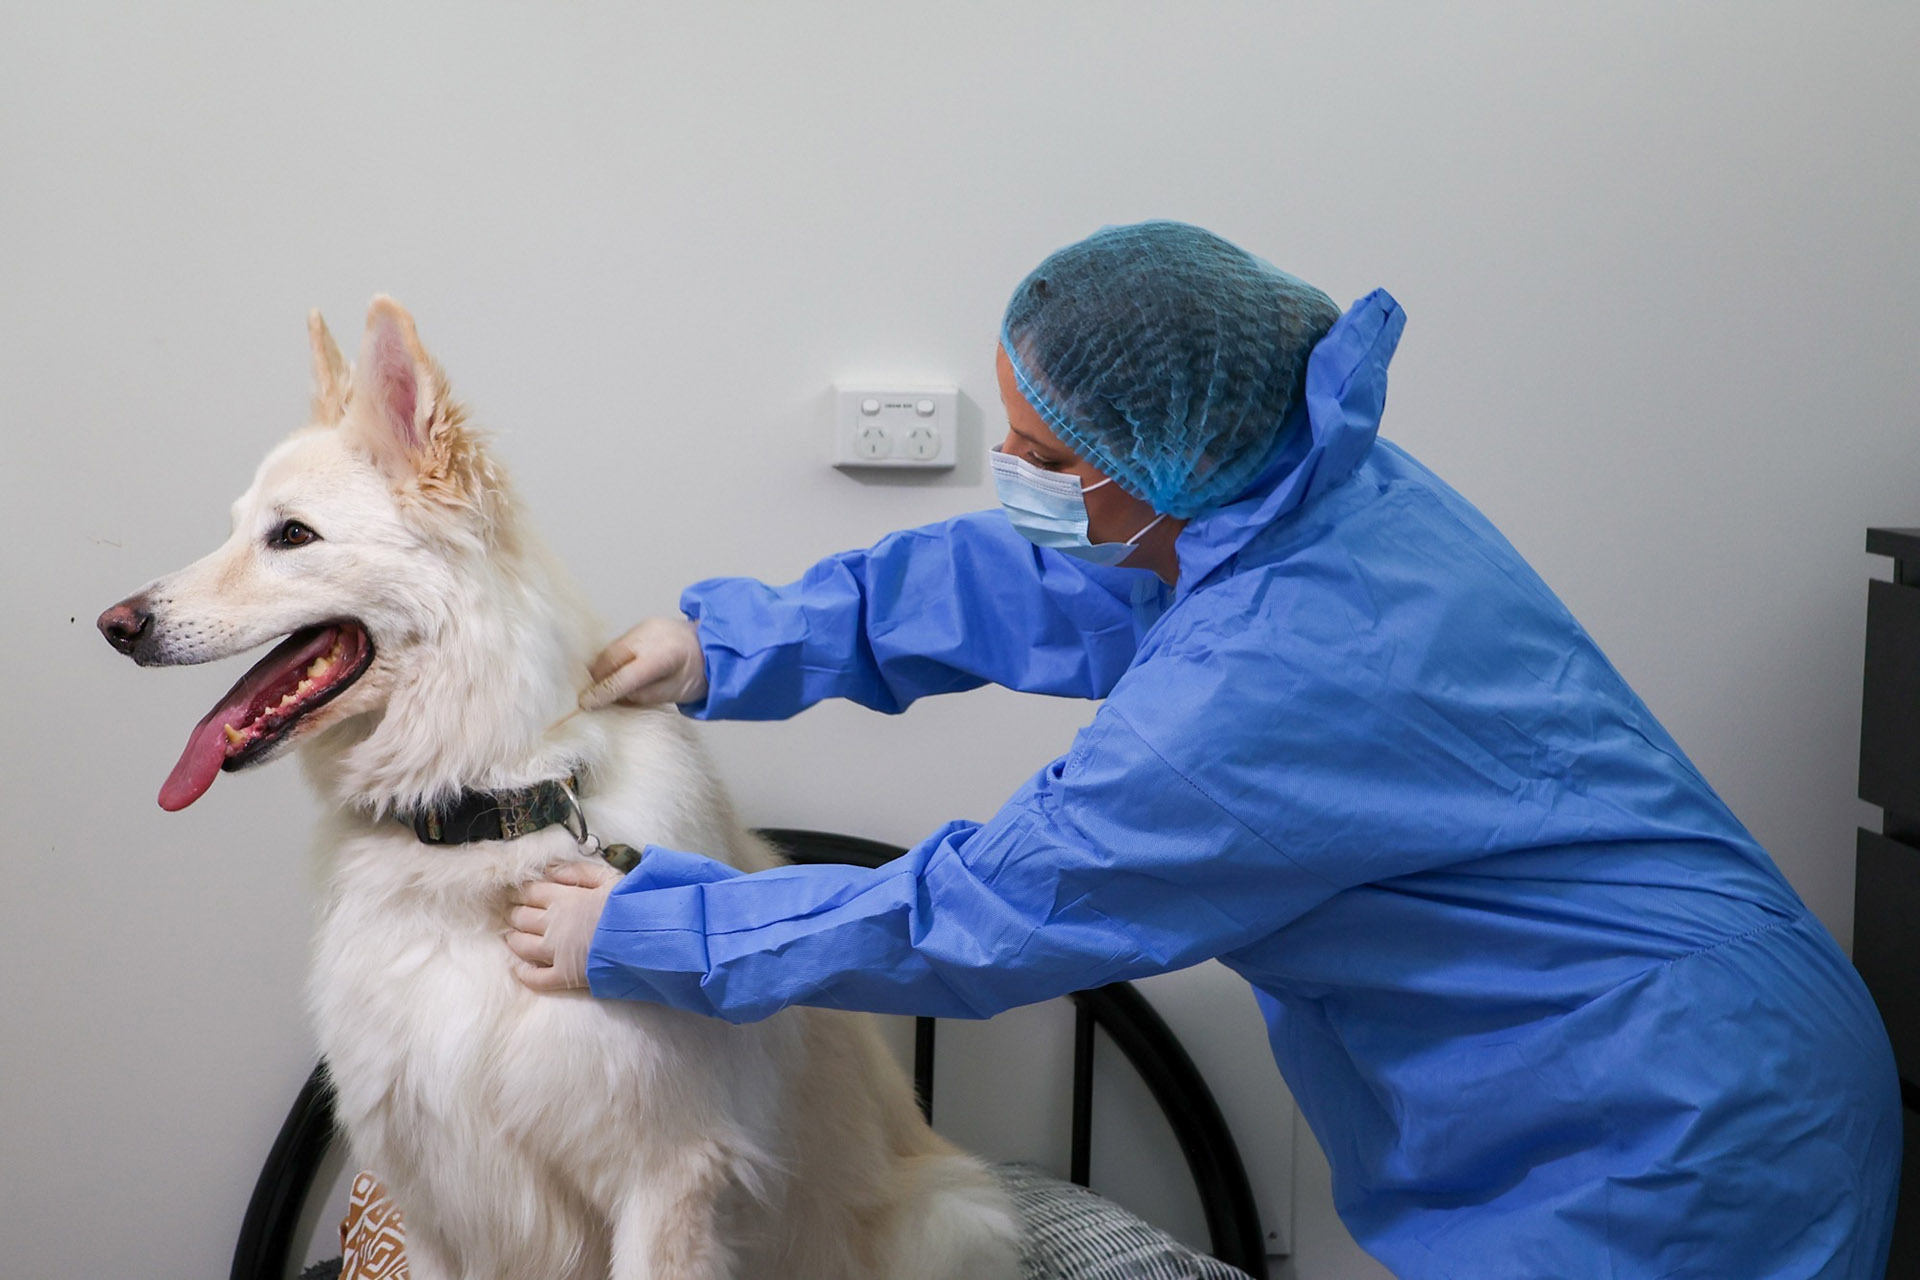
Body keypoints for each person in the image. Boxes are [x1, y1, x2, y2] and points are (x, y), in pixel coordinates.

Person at [505, 222, 1900, 1278]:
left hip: (1675, 1129)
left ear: (1152, 459)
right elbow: (1045, 582)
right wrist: (735, 644)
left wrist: (661, 934)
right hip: (1681, 1042)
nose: (1014, 467)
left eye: (1042, 451)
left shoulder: (1271, 689)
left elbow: (984, 916)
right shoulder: (1303, 485)